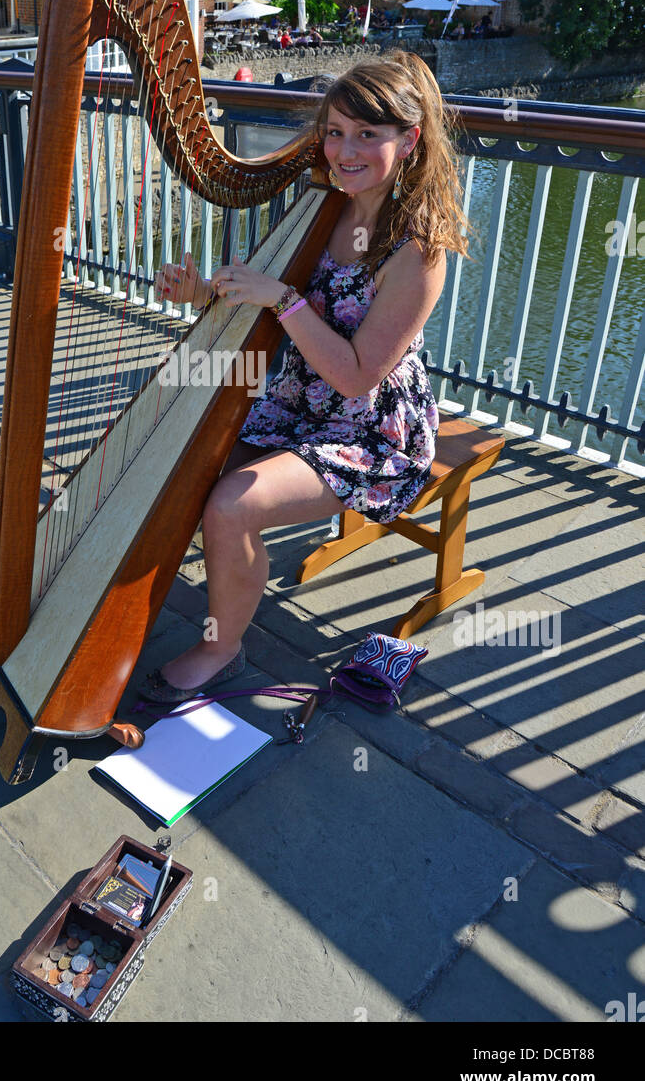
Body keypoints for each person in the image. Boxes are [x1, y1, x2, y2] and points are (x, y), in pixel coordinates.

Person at [143, 51, 470, 702]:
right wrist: (204, 293)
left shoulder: (417, 249)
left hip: (369, 428)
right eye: (334, 131)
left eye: (366, 135)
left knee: (230, 504)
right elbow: (279, 299)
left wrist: (279, 299)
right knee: (174, 462)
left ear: (407, 141)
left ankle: (221, 648)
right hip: (297, 404)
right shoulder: (323, 204)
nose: (344, 150)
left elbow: (354, 376)